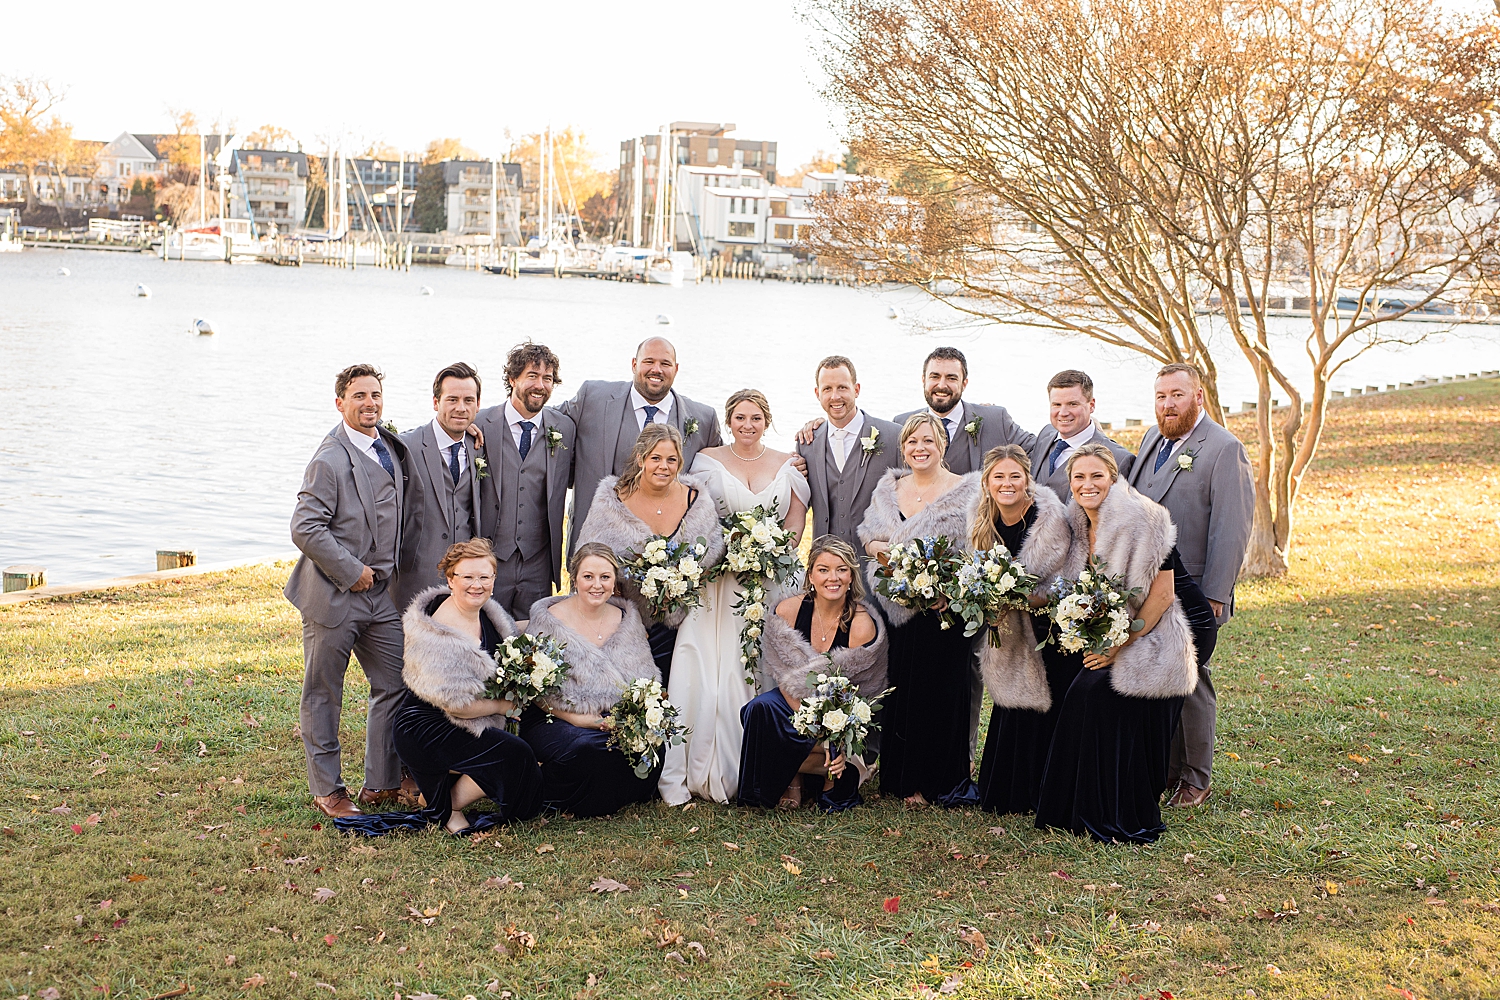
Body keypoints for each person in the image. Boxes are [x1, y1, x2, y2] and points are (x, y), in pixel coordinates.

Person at [1034, 443, 1215, 843]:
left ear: (1114, 479)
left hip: (1167, 624)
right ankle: (1072, 808)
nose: (1087, 484)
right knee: (1078, 690)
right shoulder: (1075, 523)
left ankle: (1121, 808)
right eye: (1078, 477)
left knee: (1095, 694)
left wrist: (1118, 643)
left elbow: (1164, 594)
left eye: (1097, 475)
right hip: (1118, 624)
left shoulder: (1147, 518)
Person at [659, 389, 811, 805]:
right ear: (729, 421)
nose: (747, 425)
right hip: (719, 581)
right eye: (740, 418)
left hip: (772, 579)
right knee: (711, 668)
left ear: (767, 420)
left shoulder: (789, 463)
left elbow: (795, 521)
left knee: (766, 664)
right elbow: (697, 516)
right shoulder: (707, 461)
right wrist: (727, 554)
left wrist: (772, 554)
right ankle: (706, 761)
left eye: (756, 418)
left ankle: (770, 766)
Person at [285, 364, 421, 820]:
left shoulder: (389, 444)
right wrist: (352, 570)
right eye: (359, 395)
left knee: (395, 681)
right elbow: (304, 526)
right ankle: (328, 790)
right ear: (340, 402)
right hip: (333, 596)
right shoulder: (329, 459)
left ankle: (380, 783)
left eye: (376, 394)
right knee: (324, 692)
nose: (370, 403)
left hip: (381, 596)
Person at [1124, 363, 1253, 808]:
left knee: (1193, 681)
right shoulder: (1150, 441)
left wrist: (1216, 594)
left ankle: (1196, 779)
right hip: (1150, 585)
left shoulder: (1223, 448)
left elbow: (1232, 527)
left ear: (1199, 396)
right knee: (1162, 676)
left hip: (1196, 589)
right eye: (1160, 396)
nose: (1167, 404)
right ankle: (1165, 769)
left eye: (1177, 395)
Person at [858, 413, 980, 807]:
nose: (919, 448)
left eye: (928, 440)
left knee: (942, 691)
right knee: (903, 687)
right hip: (898, 607)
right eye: (912, 442)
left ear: (942, 445)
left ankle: (941, 780)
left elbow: (977, 549)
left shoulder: (967, 490)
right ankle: (902, 779)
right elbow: (869, 537)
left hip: (946, 610)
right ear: (903, 448)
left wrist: (948, 586)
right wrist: (884, 552)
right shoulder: (889, 488)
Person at [388, 538, 544, 834]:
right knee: (516, 755)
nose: (477, 585)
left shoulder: (486, 613)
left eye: (485, 577)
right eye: (467, 577)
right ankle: (449, 804)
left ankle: (447, 787)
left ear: (494, 580)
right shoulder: (437, 634)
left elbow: (512, 634)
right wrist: (505, 706)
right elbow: (455, 705)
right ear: (450, 579)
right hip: (427, 727)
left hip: (468, 714)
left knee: (534, 742)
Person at [740, 535, 887, 811]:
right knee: (760, 710)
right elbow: (786, 680)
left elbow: (856, 697)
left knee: (833, 761)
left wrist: (833, 741)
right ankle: (793, 781)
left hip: (840, 723)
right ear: (810, 575)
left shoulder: (861, 624)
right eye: (824, 569)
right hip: (796, 707)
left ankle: (833, 771)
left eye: (841, 569)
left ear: (851, 576)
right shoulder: (788, 610)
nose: (833, 578)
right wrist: (808, 726)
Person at [573, 423, 726, 688]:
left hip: (686, 623)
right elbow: (587, 559)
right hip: (624, 622)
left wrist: (682, 583)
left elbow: (713, 553)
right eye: (656, 458)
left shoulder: (697, 501)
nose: (663, 467)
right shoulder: (611, 501)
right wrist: (624, 616)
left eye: (671, 459)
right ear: (641, 458)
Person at [969, 445, 1077, 815]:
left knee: (1047, 700)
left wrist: (1026, 599)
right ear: (986, 482)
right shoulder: (981, 521)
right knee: (1012, 697)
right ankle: (1009, 789)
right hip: (1007, 629)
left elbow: (1065, 581)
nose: (1007, 483)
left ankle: (1045, 790)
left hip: (1049, 627)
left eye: (1015, 475)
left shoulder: (1052, 521)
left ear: (1028, 479)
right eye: (998, 476)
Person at [520, 543, 661, 817]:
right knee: (588, 748)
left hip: (612, 717)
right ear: (574, 578)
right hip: (556, 716)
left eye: (605, 577)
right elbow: (535, 691)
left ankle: (612, 796)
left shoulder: (627, 618)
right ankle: (557, 795)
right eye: (588, 577)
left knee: (650, 745)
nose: (597, 585)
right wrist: (576, 719)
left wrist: (634, 719)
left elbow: (645, 677)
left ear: (614, 580)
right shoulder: (548, 620)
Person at [557, 337, 721, 559]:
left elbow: (722, 466)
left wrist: (779, 461)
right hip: (595, 550)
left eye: (665, 363)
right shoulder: (592, 397)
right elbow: (549, 426)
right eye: (649, 361)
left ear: (676, 368)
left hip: (669, 562)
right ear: (634, 364)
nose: (656, 369)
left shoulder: (704, 418)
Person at [473, 343, 576, 620]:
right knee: (486, 634)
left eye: (548, 378)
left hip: (538, 563)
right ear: (512, 379)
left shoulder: (564, 428)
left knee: (533, 643)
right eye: (532, 375)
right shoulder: (479, 424)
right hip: (490, 558)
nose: (540, 385)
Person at [393, 363, 485, 614]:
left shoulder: (478, 445)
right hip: (415, 577)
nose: (460, 408)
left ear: (478, 405)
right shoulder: (406, 445)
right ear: (435, 402)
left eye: (468, 400)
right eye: (452, 399)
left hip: (464, 581)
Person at [795, 356, 902, 568]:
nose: (835, 397)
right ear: (817, 393)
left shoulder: (893, 436)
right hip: (826, 570)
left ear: (857, 389)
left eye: (842, 387)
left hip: (876, 567)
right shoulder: (806, 442)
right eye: (827, 389)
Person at [892, 346, 1036, 474]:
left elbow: (1038, 451)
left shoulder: (995, 419)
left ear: (964, 383)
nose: (942, 385)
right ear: (924, 380)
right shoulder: (900, 424)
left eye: (951, 378)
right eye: (935, 376)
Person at [1026, 370, 1136, 501]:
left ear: (1092, 405)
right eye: (1057, 404)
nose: (1063, 412)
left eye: (1072, 404)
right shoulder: (1045, 435)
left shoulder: (1119, 458)